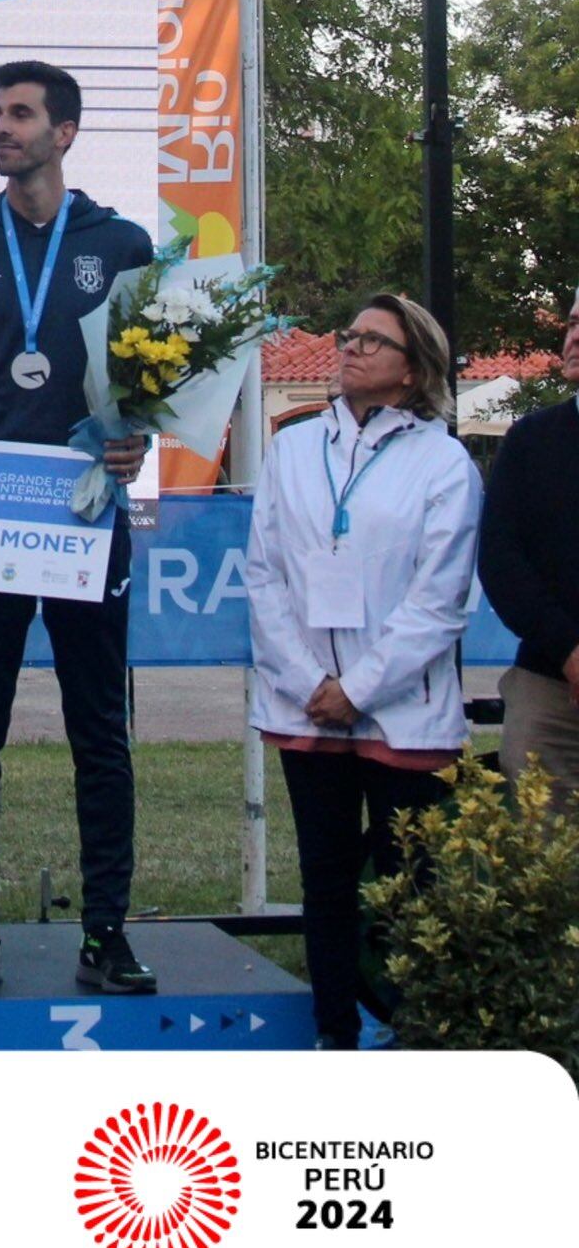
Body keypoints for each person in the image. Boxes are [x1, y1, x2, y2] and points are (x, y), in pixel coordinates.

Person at [0, 61, 157, 999]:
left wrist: (137, 442)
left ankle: (108, 934)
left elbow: (148, 387)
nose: (2, 130)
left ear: (67, 131)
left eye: (20, 115)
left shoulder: (124, 243)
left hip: (87, 518)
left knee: (102, 734)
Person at [244, 295, 481, 1049]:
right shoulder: (292, 449)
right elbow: (265, 575)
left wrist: (360, 688)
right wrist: (312, 682)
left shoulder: (444, 461)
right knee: (326, 882)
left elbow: (439, 598)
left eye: (373, 341)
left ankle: (417, 1036)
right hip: (306, 706)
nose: (351, 347)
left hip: (403, 711)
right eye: (349, 334)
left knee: (413, 886)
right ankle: (335, 1037)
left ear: (414, 371)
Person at [477, 283, 579, 809]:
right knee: (547, 861)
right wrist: (567, 651)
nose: (574, 337)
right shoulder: (530, 442)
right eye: (572, 323)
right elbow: (500, 557)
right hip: (548, 684)